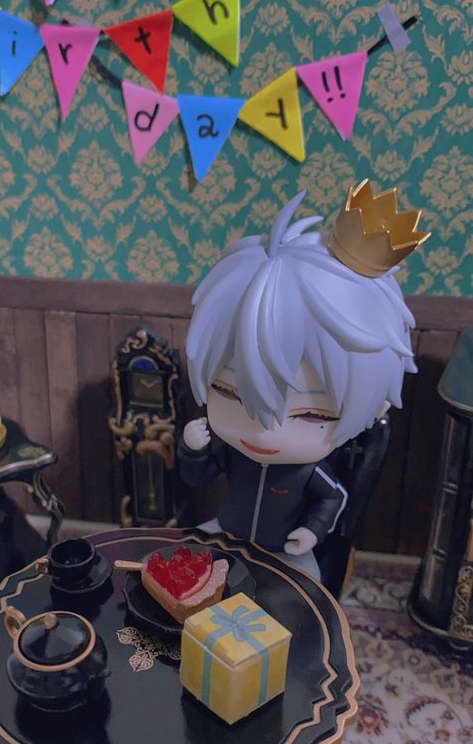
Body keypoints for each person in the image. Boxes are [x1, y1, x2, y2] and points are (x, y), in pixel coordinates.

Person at [179, 185, 421, 578]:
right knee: (183, 573)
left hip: (284, 551)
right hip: (226, 533)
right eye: (228, 392)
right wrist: (192, 448)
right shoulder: (234, 453)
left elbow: (333, 498)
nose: (264, 431)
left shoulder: (307, 471)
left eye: (312, 414)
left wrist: (312, 532)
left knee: (304, 596)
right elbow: (197, 475)